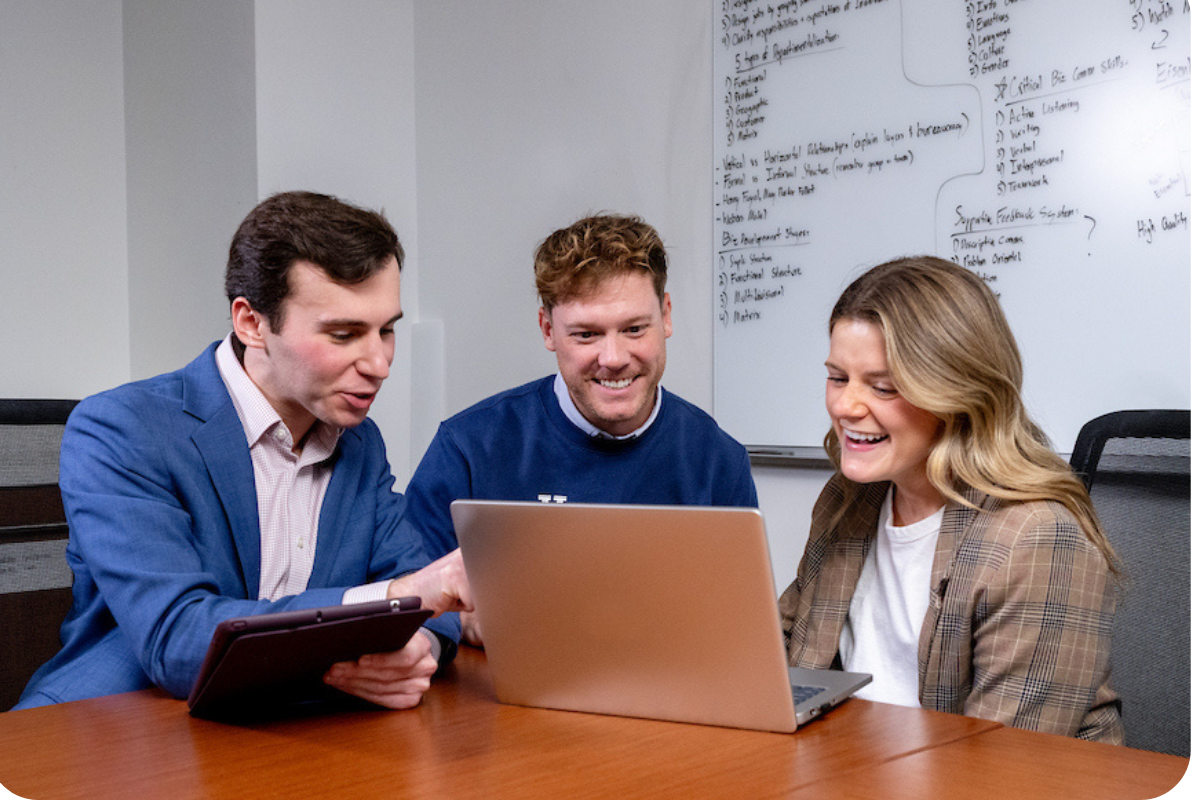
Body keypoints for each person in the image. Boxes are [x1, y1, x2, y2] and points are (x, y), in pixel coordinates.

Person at [16, 192, 471, 710]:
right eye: (344, 334)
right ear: (252, 323)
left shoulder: (360, 443)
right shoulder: (121, 429)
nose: (379, 364)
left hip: (290, 723)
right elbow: (177, 636)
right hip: (121, 725)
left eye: (386, 330)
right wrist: (393, 602)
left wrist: (415, 647)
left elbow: (437, 593)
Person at [779, 256, 1123, 743]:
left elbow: (1000, 762)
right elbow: (788, 646)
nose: (844, 406)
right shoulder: (849, 498)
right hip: (853, 770)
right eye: (838, 378)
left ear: (956, 391)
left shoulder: (1036, 539)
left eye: (883, 386)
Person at [402, 214, 758, 644]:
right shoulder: (468, 448)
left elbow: (737, 627)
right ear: (548, 330)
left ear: (665, 317)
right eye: (587, 334)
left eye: (634, 329)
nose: (613, 357)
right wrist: (463, 623)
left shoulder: (718, 461)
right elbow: (408, 607)